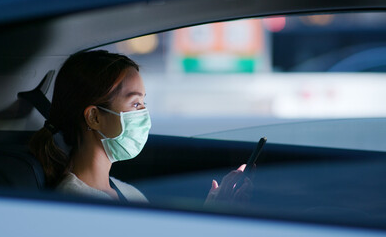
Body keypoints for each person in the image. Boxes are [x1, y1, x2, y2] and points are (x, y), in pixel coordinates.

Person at [29, 50, 251, 204]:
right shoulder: (76, 203)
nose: (144, 115)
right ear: (95, 117)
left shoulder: (123, 191)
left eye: (144, 103)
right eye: (135, 104)